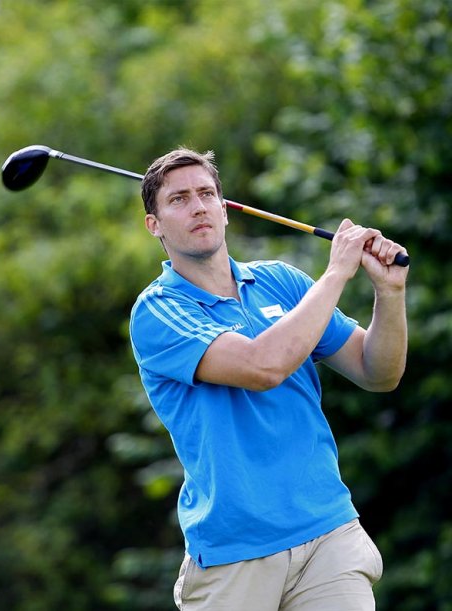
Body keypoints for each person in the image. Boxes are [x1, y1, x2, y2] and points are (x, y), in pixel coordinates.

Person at [129, 147, 408, 611]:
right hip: (234, 554)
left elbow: (378, 372)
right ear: (154, 225)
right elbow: (263, 367)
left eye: (207, 194)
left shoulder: (282, 282)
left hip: (328, 535)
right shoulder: (158, 310)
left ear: (225, 209)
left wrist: (390, 292)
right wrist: (337, 272)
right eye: (178, 199)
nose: (198, 207)